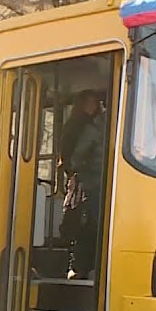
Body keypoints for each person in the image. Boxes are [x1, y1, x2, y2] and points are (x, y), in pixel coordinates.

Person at [58, 90, 108, 280]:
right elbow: (72, 156)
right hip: (86, 182)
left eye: (96, 103)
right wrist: (76, 173)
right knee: (86, 224)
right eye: (90, 103)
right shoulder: (86, 126)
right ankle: (78, 266)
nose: (94, 107)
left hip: (87, 181)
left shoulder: (95, 124)